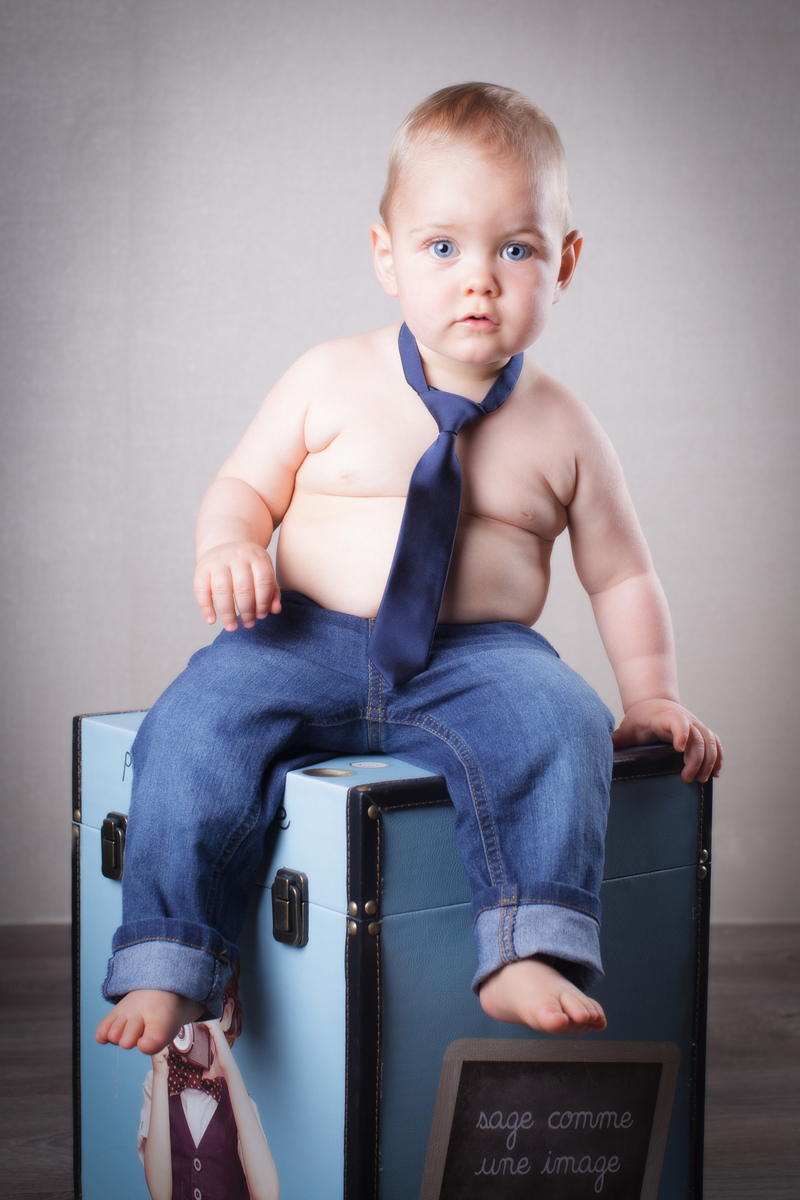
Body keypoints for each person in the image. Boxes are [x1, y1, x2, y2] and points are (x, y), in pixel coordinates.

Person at [96, 82, 722, 1058]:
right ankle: (170, 956)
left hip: (478, 658)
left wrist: (652, 695)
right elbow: (243, 487)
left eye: (515, 250)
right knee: (191, 727)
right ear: (385, 255)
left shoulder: (563, 427)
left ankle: (524, 944)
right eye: (442, 248)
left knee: (564, 722)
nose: (479, 281)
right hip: (298, 639)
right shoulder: (328, 376)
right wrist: (230, 546)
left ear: (564, 262)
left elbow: (621, 577)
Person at [138, 964, 279, 1200]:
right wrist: (161, 1074)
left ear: (225, 1014)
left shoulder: (239, 1101)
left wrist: (229, 1069)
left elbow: (267, 1195)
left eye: (199, 1008)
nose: (187, 1022)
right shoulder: (157, 1083)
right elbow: (160, 1195)